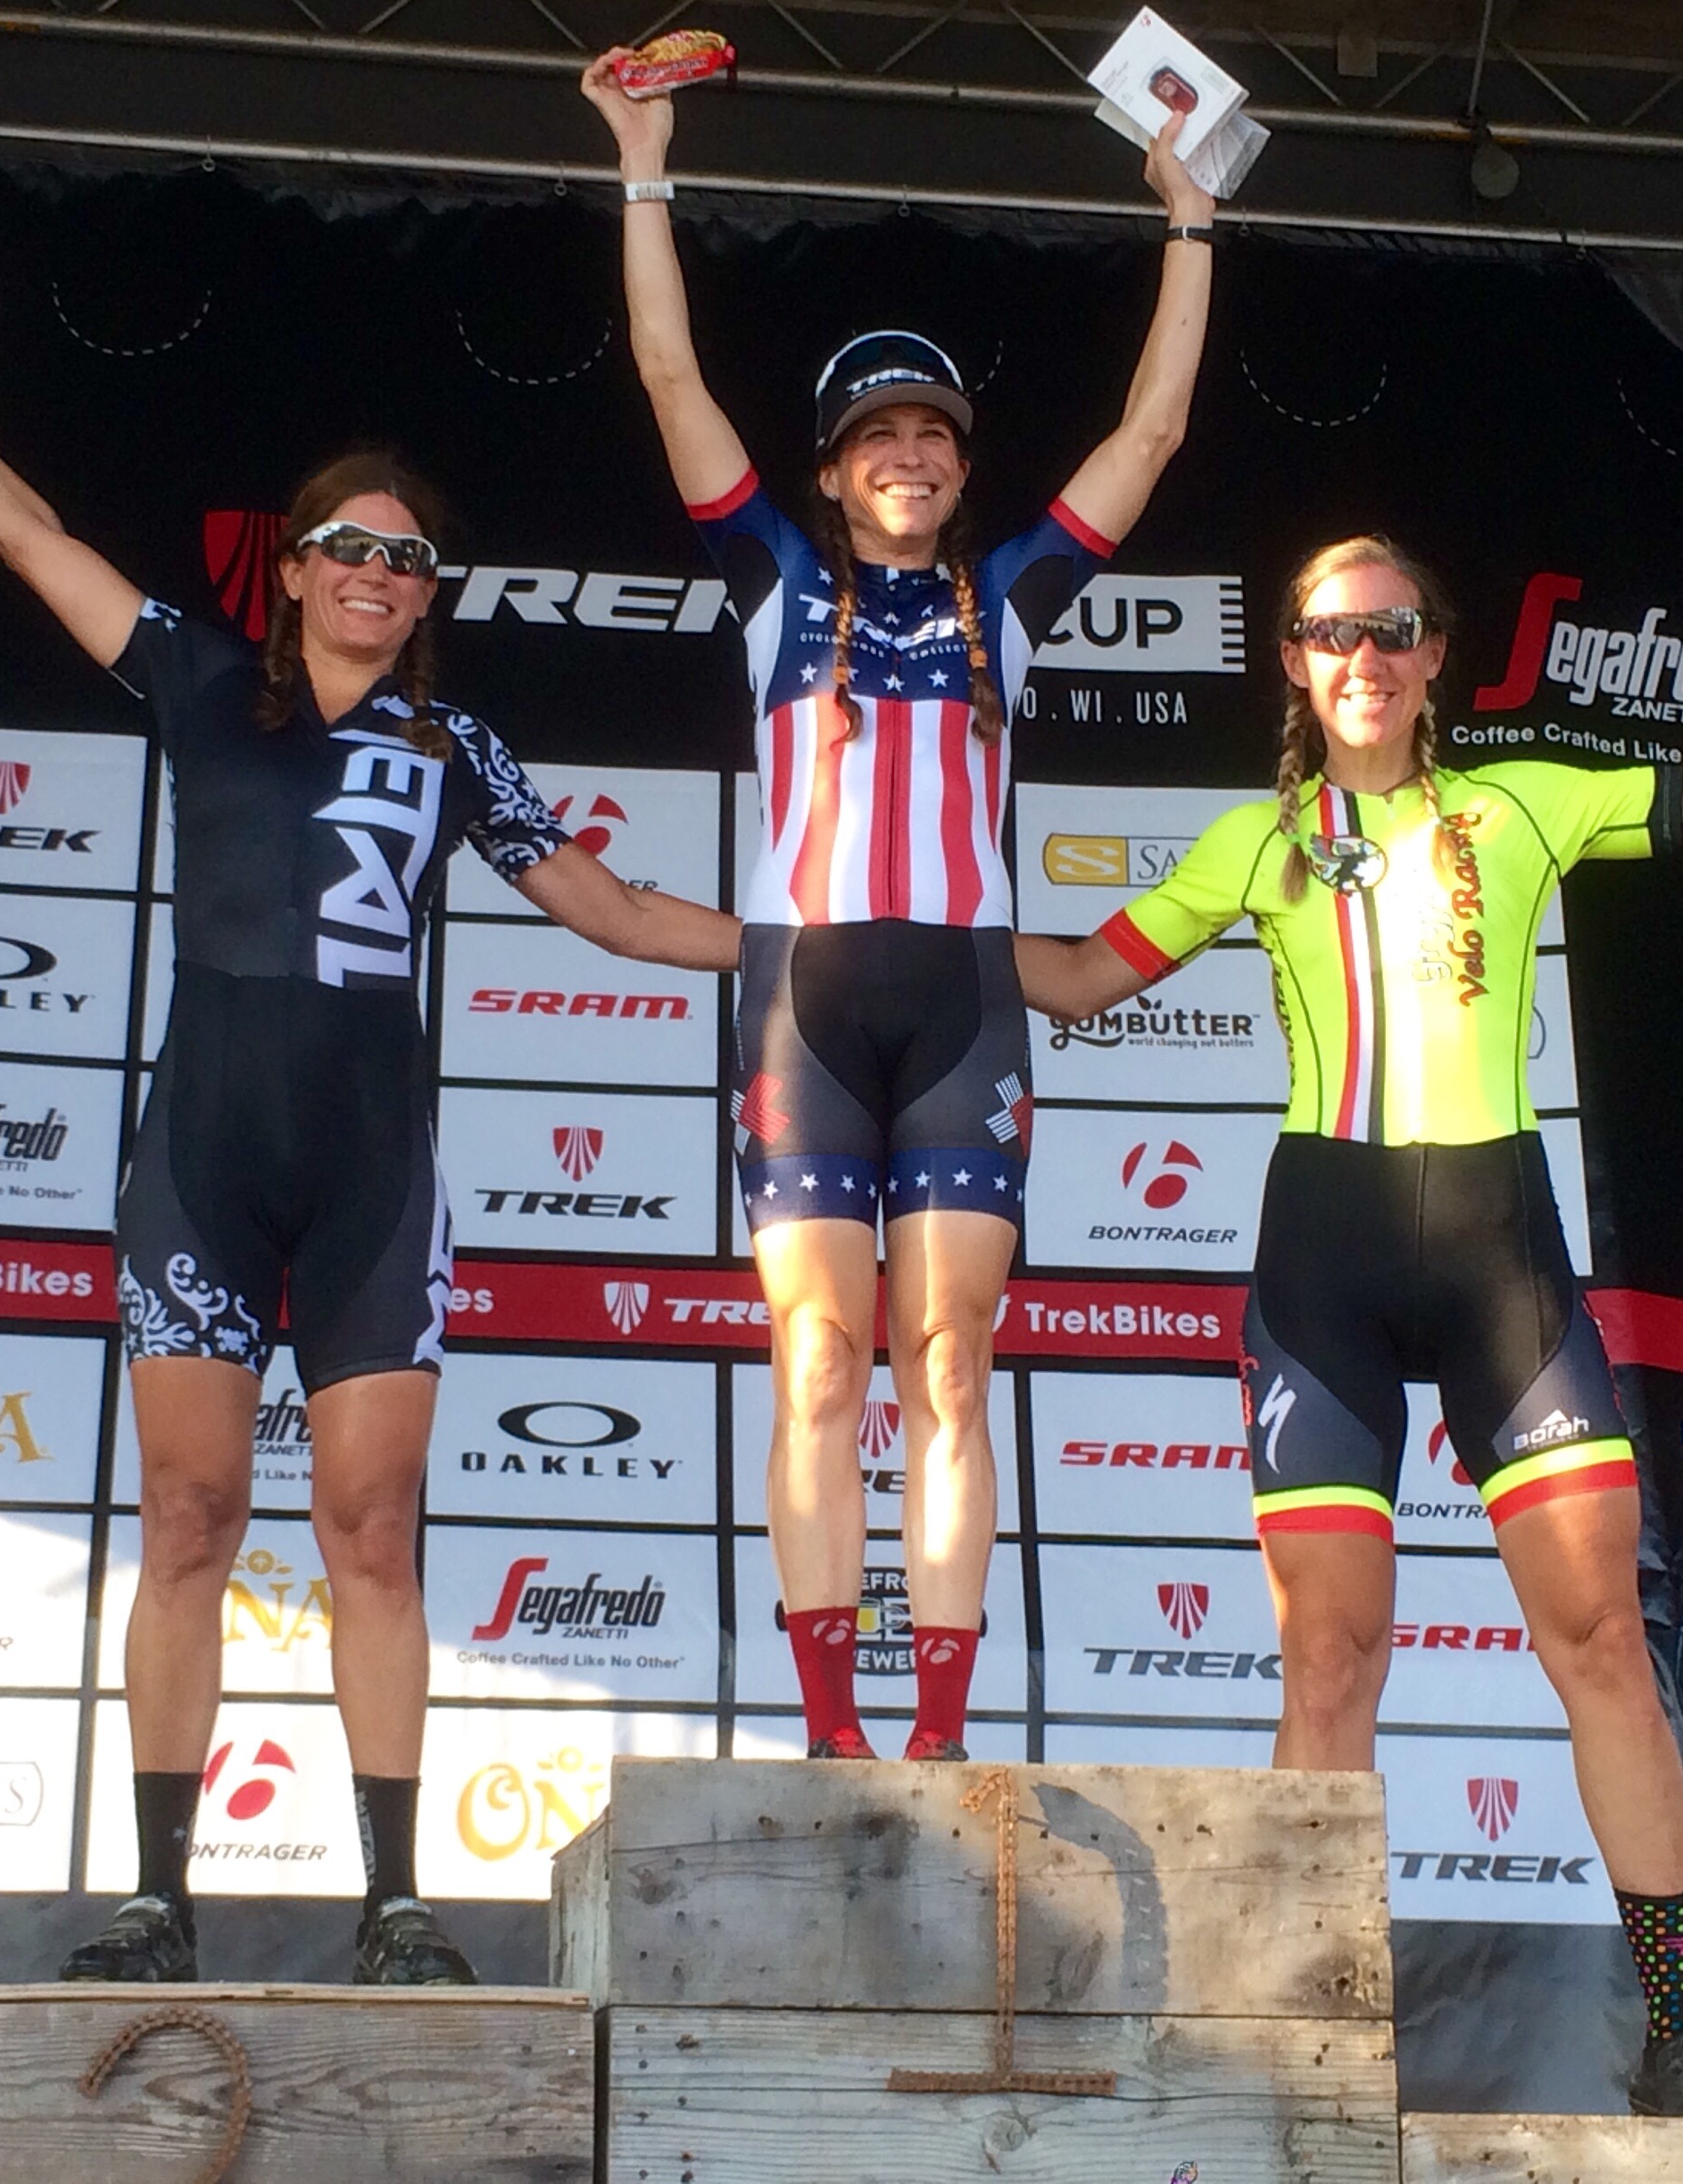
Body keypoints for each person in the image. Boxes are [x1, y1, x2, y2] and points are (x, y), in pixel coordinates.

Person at [1015, 508, 1683, 2109]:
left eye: (1391, 628)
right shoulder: (1253, 842)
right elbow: (1070, 980)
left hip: (1502, 1266)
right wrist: (869, 920)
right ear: (1293, 663)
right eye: (1332, 631)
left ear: (1434, 656)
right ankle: (1301, 2030)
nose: (1364, 655)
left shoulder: (1518, 803)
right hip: (1322, 1268)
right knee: (1329, 1661)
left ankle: (1679, 2029)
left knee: (1600, 1640)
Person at [0, 294, 742, 1982]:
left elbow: (621, 913)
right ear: (292, 567)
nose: (377, 573)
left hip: (372, 1177)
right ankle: (157, 1902)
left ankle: (396, 1903)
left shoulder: (453, 742)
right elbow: (33, 536)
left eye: (408, 561)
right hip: (199, 1162)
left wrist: (805, 948)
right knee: (190, 1514)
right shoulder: (197, 679)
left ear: (427, 598)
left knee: (372, 1534)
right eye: (350, 546)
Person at [580, 54, 1215, 1760]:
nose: (911, 456)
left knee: (947, 1364)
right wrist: (644, 163)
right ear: (835, 470)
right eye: (879, 436)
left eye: (933, 433)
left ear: (957, 462)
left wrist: (1190, 222)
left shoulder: (1013, 594)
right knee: (817, 1362)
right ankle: (829, 1735)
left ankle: (936, 1732)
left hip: (964, 1009)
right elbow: (666, 368)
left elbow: (1152, 434)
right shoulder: (777, 584)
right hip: (801, 1001)